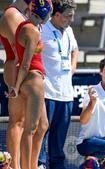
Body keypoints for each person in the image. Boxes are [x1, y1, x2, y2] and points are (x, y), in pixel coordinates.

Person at [6, 0, 53, 169]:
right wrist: (16, 87)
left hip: (28, 79)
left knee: (43, 125)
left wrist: (16, 86)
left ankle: (30, 165)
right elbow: (25, 64)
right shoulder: (32, 30)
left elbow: (18, 59)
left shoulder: (22, 26)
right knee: (30, 129)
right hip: (33, 81)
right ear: (44, 13)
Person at [37, 0, 78, 168]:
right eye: (68, 16)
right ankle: (39, 164)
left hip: (66, 94)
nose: (71, 20)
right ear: (57, 15)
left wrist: (73, 65)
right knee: (42, 133)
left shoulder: (69, 30)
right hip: (47, 91)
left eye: (72, 16)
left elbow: (75, 49)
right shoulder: (42, 29)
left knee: (59, 138)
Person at [0, 0, 30, 168]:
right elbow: (18, 50)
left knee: (29, 123)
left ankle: (25, 164)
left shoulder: (24, 13)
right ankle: (15, 165)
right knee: (18, 121)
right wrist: (17, 83)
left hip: (24, 69)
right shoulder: (12, 14)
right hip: (17, 68)